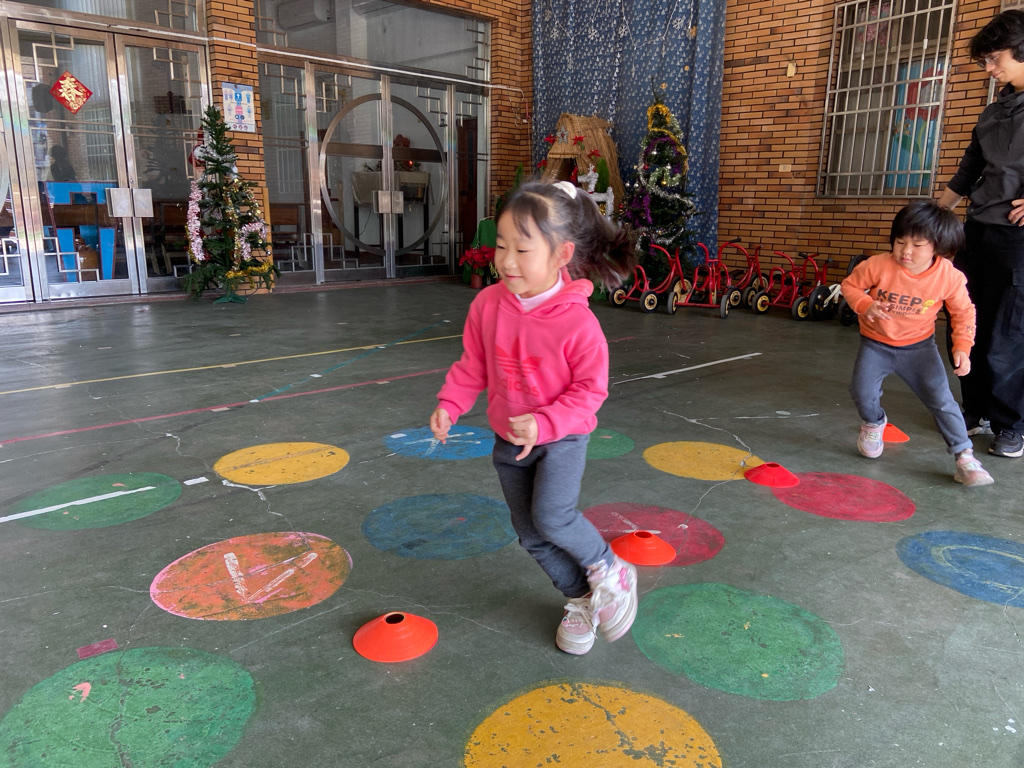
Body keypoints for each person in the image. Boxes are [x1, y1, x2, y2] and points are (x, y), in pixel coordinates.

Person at [429, 179, 636, 654]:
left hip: (561, 439)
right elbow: (473, 364)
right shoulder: (487, 305)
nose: (506, 261)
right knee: (530, 535)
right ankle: (581, 599)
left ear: (562, 255)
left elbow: (591, 391)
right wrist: (451, 404)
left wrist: (546, 423)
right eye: (501, 245)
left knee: (553, 518)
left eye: (522, 250)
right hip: (509, 441)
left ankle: (609, 569)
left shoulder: (578, 323)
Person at [841, 201, 993, 487]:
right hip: (876, 344)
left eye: (917, 245)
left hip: (919, 348)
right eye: (900, 242)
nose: (905, 251)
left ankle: (965, 458)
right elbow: (850, 286)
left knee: (942, 399)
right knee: (862, 392)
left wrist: (963, 346)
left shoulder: (948, 276)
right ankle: (874, 422)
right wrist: (865, 304)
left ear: (938, 247)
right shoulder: (877, 265)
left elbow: (963, 312)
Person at [938, 9, 1024, 458]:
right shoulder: (994, 112)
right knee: (966, 322)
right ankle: (975, 409)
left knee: (1007, 335)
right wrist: (935, 214)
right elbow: (970, 166)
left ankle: (1011, 424)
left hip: (1017, 240)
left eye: (995, 59)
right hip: (977, 231)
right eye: (985, 61)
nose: (989, 69)